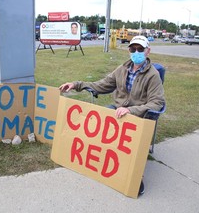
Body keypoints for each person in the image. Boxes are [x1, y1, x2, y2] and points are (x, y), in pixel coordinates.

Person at [59, 35, 165, 196]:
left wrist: (132, 110)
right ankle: (100, 163)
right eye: (132, 49)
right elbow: (101, 85)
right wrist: (76, 84)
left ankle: (135, 176)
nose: (136, 52)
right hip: (117, 109)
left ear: (147, 51)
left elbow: (157, 103)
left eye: (140, 49)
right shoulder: (121, 69)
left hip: (138, 114)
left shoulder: (153, 75)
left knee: (132, 141)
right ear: (129, 51)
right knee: (98, 121)